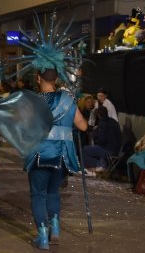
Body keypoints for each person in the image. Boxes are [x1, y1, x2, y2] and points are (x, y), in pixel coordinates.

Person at [27, 68, 88, 248]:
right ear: (57, 79)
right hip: (62, 156)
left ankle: (43, 236)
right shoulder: (68, 100)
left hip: (40, 154)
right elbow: (83, 127)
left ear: (38, 78)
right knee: (53, 193)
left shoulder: (34, 102)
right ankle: (55, 227)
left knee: (38, 195)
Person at [82, 106, 122, 175]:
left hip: (108, 151)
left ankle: (99, 165)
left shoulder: (102, 123)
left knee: (85, 149)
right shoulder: (114, 121)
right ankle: (101, 164)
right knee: (95, 149)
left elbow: (101, 141)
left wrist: (95, 134)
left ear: (98, 115)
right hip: (116, 150)